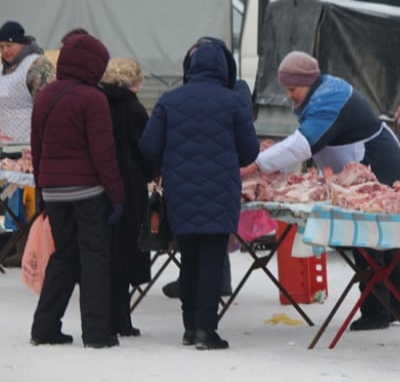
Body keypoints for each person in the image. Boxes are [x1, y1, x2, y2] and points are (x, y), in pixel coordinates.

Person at [240, 51, 400, 331]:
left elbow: (303, 144)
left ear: (307, 82)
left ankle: (377, 312)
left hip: (382, 167)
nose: (289, 96)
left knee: (369, 239)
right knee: (384, 239)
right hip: (373, 167)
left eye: (292, 89)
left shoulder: (329, 99)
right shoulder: (323, 91)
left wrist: (257, 164)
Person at [139, 37, 258, 350]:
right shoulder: (233, 101)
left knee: (189, 259)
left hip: (181, 193)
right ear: (223, 68)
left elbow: (149, 146)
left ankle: (191, 328)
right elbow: (249, 153)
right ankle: (207, 329)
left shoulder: (169, 100)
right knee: (211, 261)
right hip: (221, 193)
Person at [29, 33, 124, 349]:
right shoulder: (93, 99)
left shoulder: (45, 96)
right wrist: (116, 195)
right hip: (87, 193)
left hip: (55, 192)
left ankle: (44, 326)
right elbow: (103, 154)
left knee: (64, 256)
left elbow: (37, 148)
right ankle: (97, 332)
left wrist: (41, 189)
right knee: (94, 258)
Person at [0, 20, 56, 265]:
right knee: (13, 202)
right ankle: (20, 248)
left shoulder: (37, 65)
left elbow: (49, 101)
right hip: (6, 148)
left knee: (37, 201)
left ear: (20, 43)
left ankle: (40, 251)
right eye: (0, 46)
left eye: (9, 44)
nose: (5, 51)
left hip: (34, 145)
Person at [100, 57, 154, 337]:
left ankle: (106, 317)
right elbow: (146, 150)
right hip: (129, 188)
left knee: (104, 254)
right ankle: (121, 319)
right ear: (135, 81)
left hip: (99, 185)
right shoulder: (134, 109)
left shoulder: (96, 102)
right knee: (124, 253)